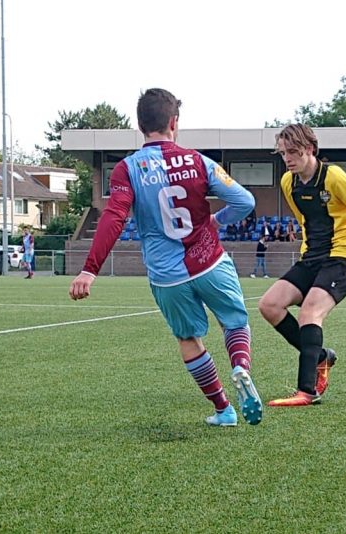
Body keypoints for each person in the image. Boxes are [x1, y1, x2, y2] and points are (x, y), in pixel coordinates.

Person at [68, 88, 263, 427]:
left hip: (168, 275)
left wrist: (89, 270)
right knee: (234, 321)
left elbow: (114, 217)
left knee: (188, 339)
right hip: (211, 262)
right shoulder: (200, 161)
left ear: (140, 125)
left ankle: (224, 409)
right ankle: (241, 367)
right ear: (174, 122)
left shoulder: (127, 169)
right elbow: (245, 202)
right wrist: (216, 221)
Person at [258, 123, 346, 407]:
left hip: (342, 258)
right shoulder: (288, 183)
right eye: (283, 153)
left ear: (310, 150)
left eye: (294, 152)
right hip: (312, 257)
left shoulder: (336, 179)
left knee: (309, 311)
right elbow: (306, 222)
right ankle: (321, 356)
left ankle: (308, 390)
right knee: (269, 305)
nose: (288, 159)